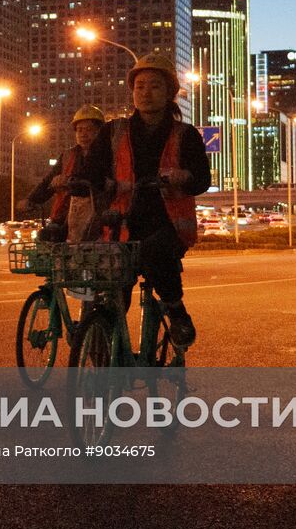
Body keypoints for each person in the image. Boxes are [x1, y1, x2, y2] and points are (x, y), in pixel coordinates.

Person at [77, 53, 210, 348]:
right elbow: (90, 172)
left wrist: (183, 176)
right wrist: (99, 182)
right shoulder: (113, 131)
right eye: (140, 87)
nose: (146, 93)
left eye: (154, 86)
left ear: (169, 93)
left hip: (167, 223)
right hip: (120, 223)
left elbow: (202, 180)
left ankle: (177, 312)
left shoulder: (185, 135)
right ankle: (105, 357)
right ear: (132, 92)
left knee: (153, 254)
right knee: (112, 288)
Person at [20, 104, 106, 242]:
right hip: (64, 216)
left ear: (100, 131)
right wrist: (31, 199)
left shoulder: (107, 155)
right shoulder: (68, 156)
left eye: (89, 130)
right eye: (79, 130)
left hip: (98, 215)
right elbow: (48, 181)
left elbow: (98, 179)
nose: (84, 134)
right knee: (46, 238)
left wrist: (69, 180)